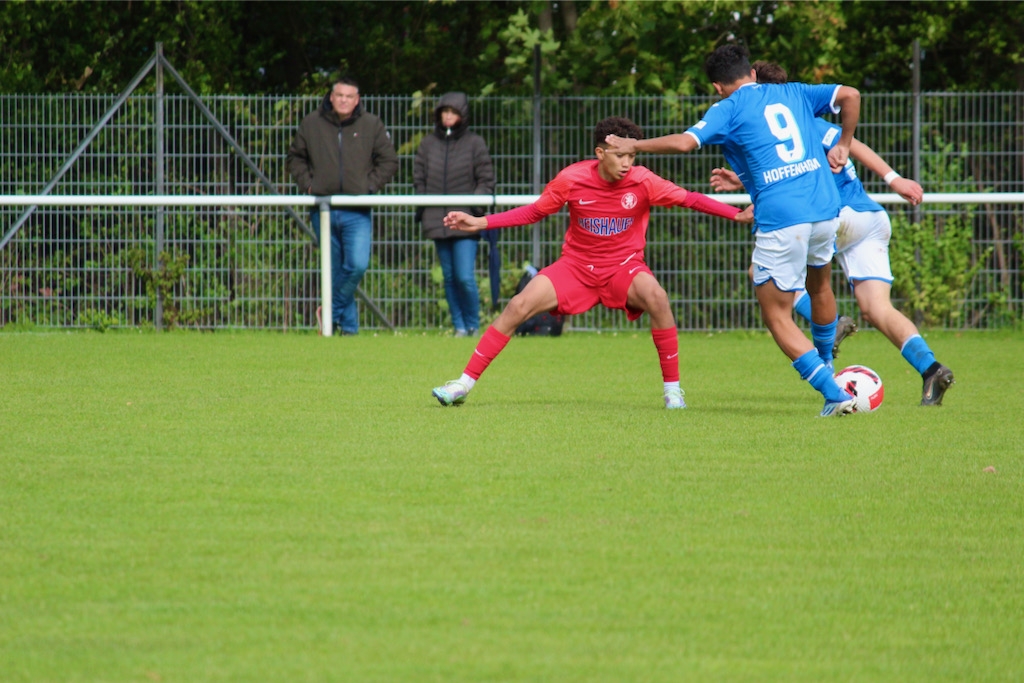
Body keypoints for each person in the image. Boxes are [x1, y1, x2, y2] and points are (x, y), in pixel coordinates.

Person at [605, 44, 861, 417]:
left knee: (776, 315)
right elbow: (850, 94)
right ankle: (828, 365)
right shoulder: (794, 91)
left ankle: (833, 393)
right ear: (752, 73)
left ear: (717, 86)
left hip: (783, 215)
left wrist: (634, 144)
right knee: (820, 286)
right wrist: (844, 144)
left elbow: (685, 143)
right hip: (824, 207)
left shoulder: (728, 107)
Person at [430, 116, 753, 410]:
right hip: (575, 268)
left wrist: (735, 214)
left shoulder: (644, 181)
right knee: (518, 305)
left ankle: (673, 392)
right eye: (620, 155)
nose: (627, 163)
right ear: (600, 153)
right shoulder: (572, 179)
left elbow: (690, 198)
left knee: (658, 297)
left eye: (632, 156)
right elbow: (535, 211)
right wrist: (480, 222)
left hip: (623, 267)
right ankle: (462, 384)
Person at [710, 61, 955, 406]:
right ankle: (931, 369)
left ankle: (830, 323)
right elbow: (845, 148)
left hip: (835, 216)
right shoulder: (801, 120)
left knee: (762, 274)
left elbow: (791, 179)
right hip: (870, 217)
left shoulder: (794, 121)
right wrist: (894, 179)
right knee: (877, 308)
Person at [286, 76, 399, 335]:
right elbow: (295, 158)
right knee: (335, 270)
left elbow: (389, 161)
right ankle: (348, 330)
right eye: (339, 95)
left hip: (357, 210)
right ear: (331, 96)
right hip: (322, 208)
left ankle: (329, 313)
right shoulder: (312, 123)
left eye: (349, 96)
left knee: (357, 265)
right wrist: (309, 185)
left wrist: (368, 186)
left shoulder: (371, 124)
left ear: (357, 100)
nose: (344, 100)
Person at [414, 92, 495, 337]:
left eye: (453, 112)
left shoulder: (475, 143)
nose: (448, 116)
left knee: (464, 276)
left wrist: (474, 211)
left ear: (462, 115)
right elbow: (419, 178)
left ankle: (473, 326)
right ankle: (459, 327)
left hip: (465, 221)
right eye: (445, 112)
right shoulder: (428, 144)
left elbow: (486, 179)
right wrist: (424, 208)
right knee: (449, 277)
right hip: (437, 220)